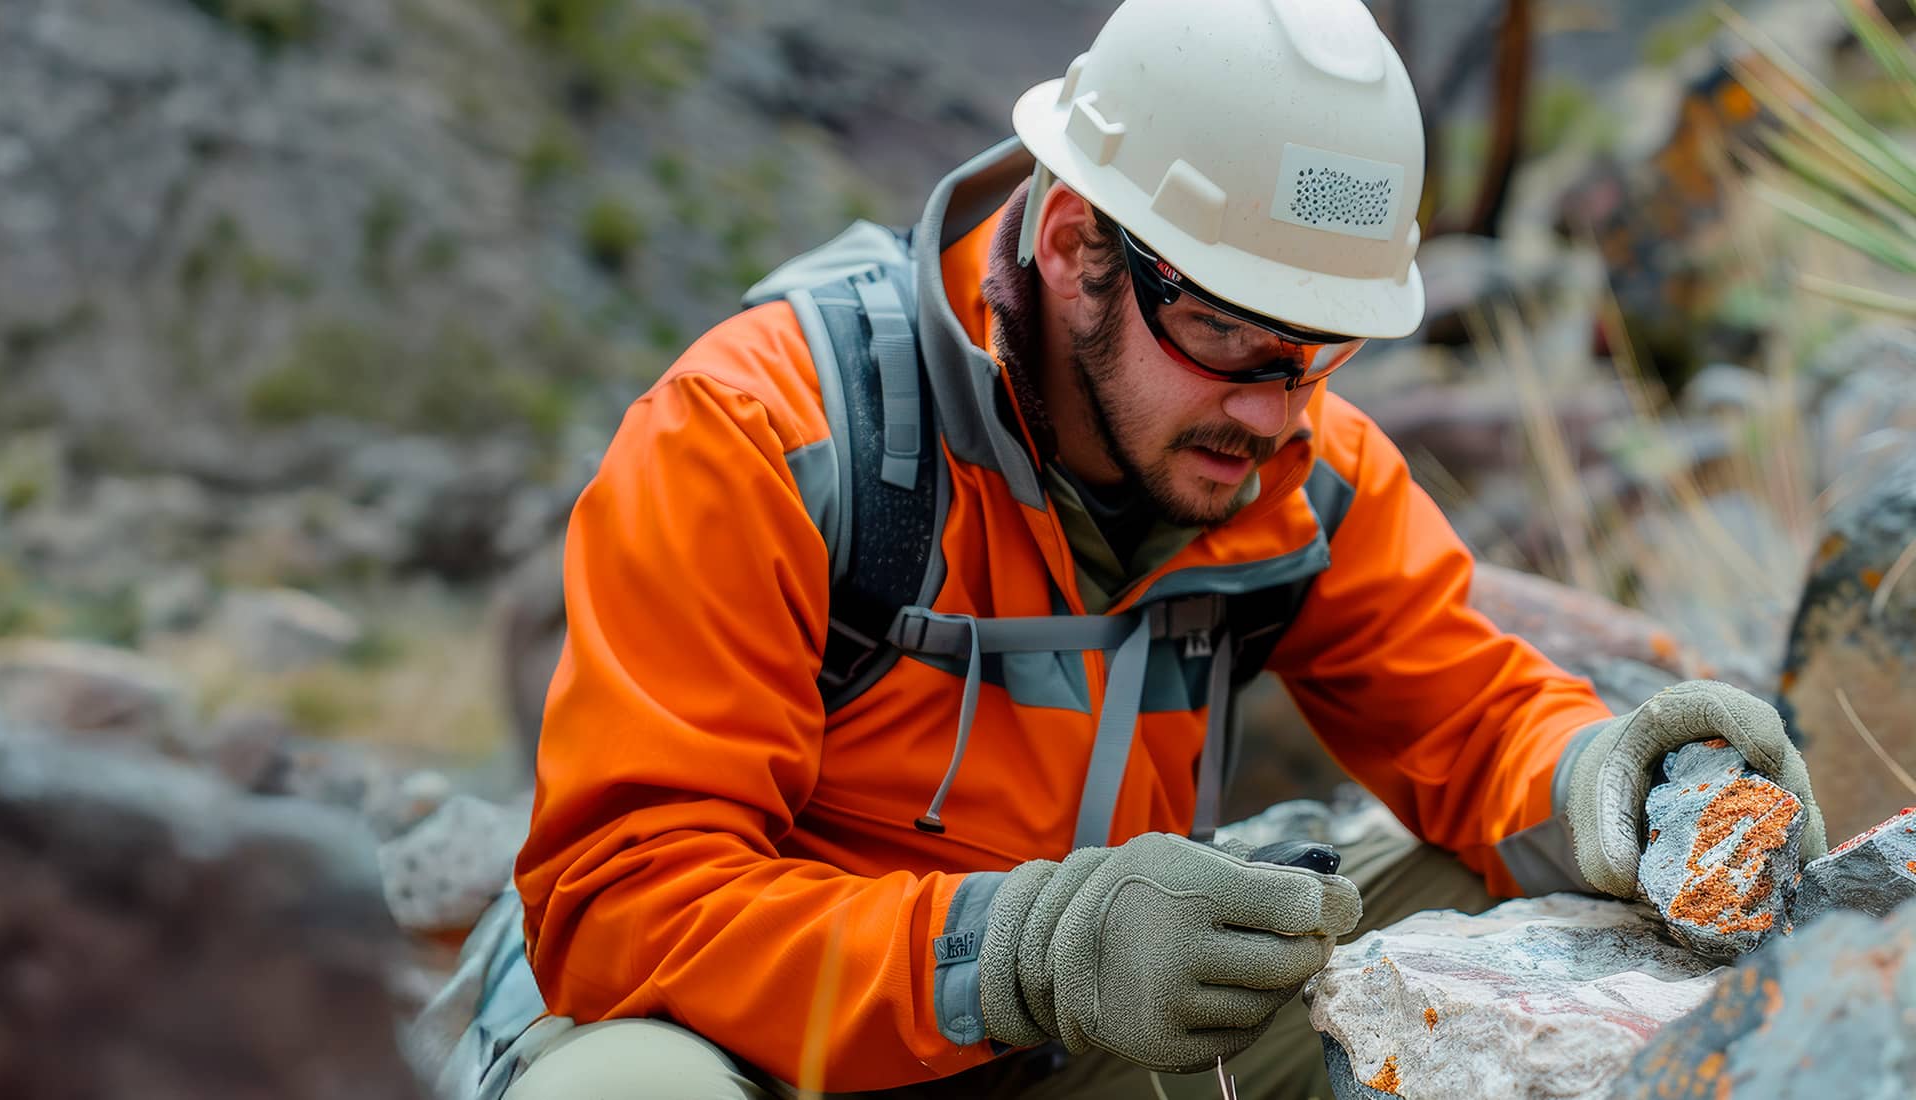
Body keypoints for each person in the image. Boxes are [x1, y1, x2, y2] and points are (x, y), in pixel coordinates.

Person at [502, 1, 1827, 1096]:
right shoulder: (766, 435)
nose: (1279, 413)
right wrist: (1020, 950)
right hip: (791, 1058)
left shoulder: (1290, 462)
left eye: (1320, 353)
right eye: (1240, 345)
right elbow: (620, 909)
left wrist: (1632, 790)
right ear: (1079, 242)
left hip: (1086, 1047)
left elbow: (1478, 728)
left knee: (1517, 894)